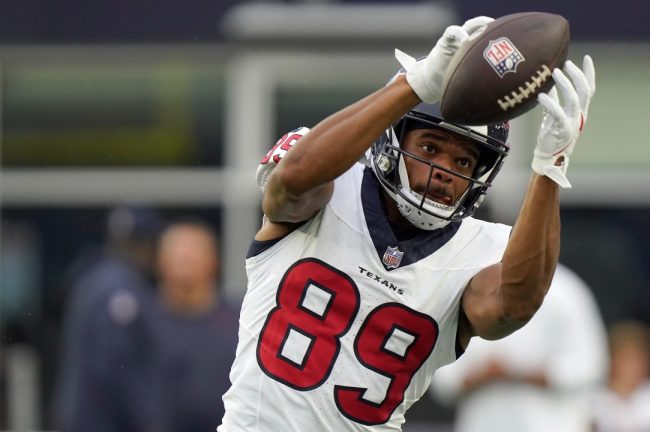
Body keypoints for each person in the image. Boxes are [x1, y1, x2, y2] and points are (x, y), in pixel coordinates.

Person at [219, 16, 596, 431]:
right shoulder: (327, 185)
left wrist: (548, 169)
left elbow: (513, 307)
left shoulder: (480, 250)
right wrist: (414, 86)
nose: (445, 171)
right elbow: (290, 184)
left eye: (464, 161)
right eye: (430, 148)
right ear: (392, 138)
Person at [429, 264, 608, 432]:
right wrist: (482, 374)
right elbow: (442, 380)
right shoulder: (473, 286)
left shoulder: (565, 291)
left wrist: (518, 374)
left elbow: (590, 365)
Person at [55, 207, 163, 432]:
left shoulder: (92, 277)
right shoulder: (121, 289)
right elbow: (117, 366)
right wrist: (148, 420)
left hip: (83, 415)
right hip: (103, 421)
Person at [147, 220, 239, 432]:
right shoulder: (139, 321)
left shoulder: (239, 323)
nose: (185, 256)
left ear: (214, 260)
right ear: (159, 259)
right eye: (177, 248)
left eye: (194, 248)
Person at [591, 320, 650, 432]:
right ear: (612, 359)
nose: (635, 366)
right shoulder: (591, 399)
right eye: (628, 358)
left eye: (640, 359)